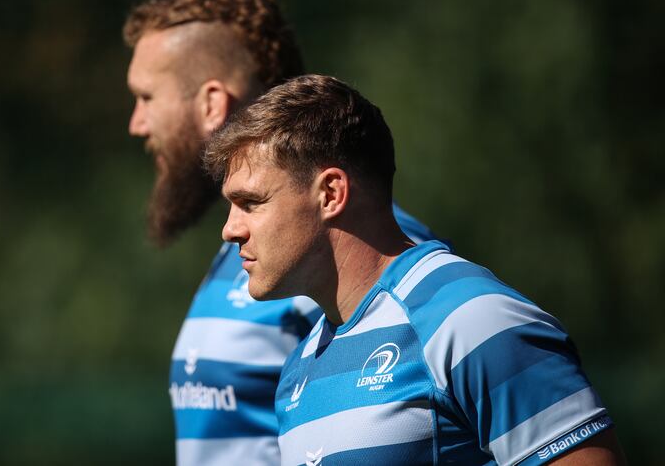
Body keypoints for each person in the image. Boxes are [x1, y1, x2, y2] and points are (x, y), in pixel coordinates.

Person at [204, 74, 627, 465]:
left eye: (251, 203)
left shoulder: (469, 318)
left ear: (330, 194)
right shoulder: (300, 365)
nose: (229, 230)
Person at [123, 0, 441, 465]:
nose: (136, 124)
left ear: (211, 103)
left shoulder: (358, 241)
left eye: (146, 97)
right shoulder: (241, 247)